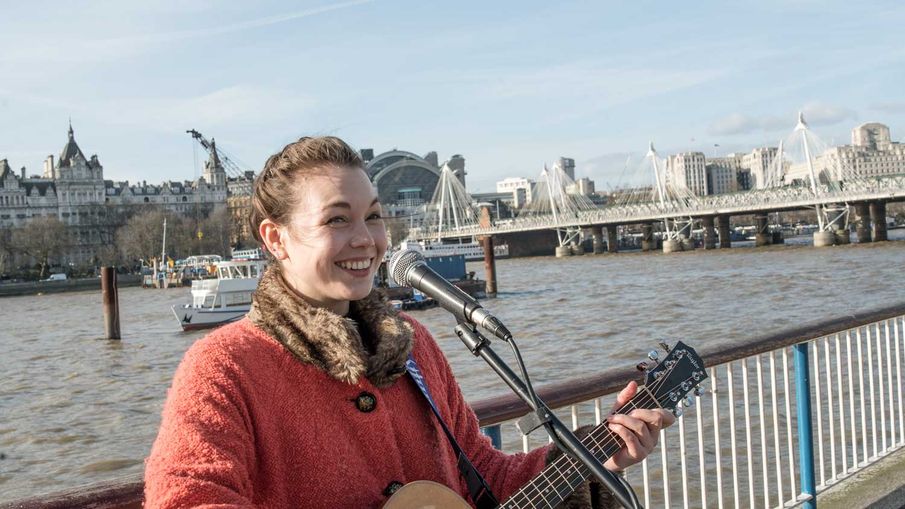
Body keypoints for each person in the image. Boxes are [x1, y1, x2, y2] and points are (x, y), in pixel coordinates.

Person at [144, 136, 675, 508]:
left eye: (373, 216)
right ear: (276, 239)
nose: (366, 239)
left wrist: (598, 452)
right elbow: (187, 499)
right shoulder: (225, 366)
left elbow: (485, 477)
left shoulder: (412, 344)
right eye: (336, 219)